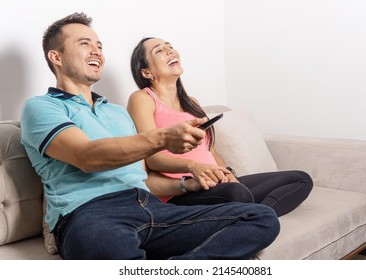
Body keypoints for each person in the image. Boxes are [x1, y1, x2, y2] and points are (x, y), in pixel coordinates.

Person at [19, 12, 280, 260]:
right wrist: (163, 138)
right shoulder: (42, 107)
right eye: (85, 43)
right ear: (56, 57)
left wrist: (186, 184)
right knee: (110, 248)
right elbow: (86, 156)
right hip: (90, 214)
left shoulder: (117, 113)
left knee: (261, 219)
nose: (97, 50)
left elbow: (144, 179)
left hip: (151, 208)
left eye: (99, 45)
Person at [127, 37, 313, 216]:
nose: (170, 50)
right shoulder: (143, 99)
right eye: (159, 50)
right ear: (146, 72)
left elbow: (212, 152)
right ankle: (253, 215)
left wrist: (228, 175)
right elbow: (151, 157)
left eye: (170, 46)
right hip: (185, 191)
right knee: (237, 195)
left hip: (219, 185)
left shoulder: (192, 103)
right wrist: (193, 167)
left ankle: (254, 217)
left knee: (301, 179)